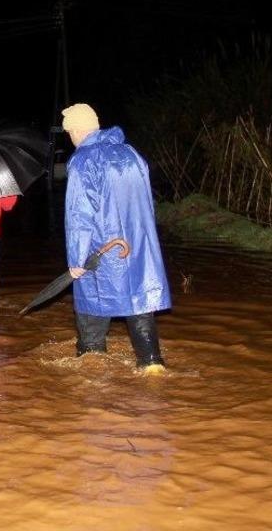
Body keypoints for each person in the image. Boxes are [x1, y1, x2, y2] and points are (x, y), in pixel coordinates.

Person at [61, 103, 171, 374]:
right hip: (138, 247)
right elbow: (147, 202)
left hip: (100, 252)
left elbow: (79, 216)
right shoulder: (131, 153)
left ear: (75, 130)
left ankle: (92, 370)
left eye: (70, 133)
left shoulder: (82, 160)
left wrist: (76, 260)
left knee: (92, 307)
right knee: (139, 303)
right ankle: (152, 364)